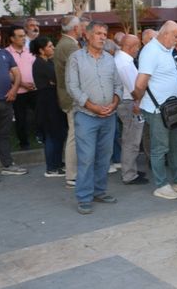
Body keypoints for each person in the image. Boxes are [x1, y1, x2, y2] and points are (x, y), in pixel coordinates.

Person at [134, 20, 177, 200]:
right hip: (158, 110)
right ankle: (161, 184)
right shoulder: (151, 51)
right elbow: (140, 83)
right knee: (160, 147)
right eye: (176, 35)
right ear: (165, 35)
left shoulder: (166, 50)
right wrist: (137, 100)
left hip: (173, 108)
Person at [66, 21, 122, 214]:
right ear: (87, 36)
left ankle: (99, 191)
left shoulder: (109, 59)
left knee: (104, 157)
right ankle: (84, 197)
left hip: (109, 115)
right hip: (87, 116)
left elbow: (118, 85)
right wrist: (93, 107)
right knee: (87, 158)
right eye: (98, 33)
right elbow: (72, 87)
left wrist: (114, 103)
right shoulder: (76, 58)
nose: (102, 37)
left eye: (104, 34)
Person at [30, 37, 68, 177]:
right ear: (41, 50)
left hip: (54, 101)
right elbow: (58, 77)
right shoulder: (39, 64)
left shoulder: (49, 62)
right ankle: (51, 167)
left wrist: (55, 82)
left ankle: (57, 163)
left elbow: (57, 79)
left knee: (59, 133)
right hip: (46, 103)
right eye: (50, 46)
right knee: (51, 135)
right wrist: (54, 81)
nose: (53, 48)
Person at [114, 34, 148, 185]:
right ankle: (129, 174)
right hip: (130, 103)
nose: (138, 49)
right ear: (129, 47)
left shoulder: (122, 60)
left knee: (130, 138)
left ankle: (130, 170)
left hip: (128, 102)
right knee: (132, 140)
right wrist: (138, 103)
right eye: (137, 46)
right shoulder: (125, 63)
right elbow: (135, 89)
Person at [55, 15, 83, 187]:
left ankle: (73, 172)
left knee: (75, 134)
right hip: (72, 98)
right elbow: (80, 70)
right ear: (74, 28)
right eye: (80, 26)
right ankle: (72, 174)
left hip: (69, 96)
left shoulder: (65, 43)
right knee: (74, 135)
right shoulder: (69, 45)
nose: (82, 28)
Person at [6, 26, 37, 151]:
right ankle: (24, 143)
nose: (23, 38)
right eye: (20, 36)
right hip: (18, 92)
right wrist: (22, 84)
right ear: (12, 38)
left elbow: (36, 68)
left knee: (40, 114)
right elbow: (6, 74)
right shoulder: (6, 53)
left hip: (34, 90)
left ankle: (41, 136)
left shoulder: (29, 51)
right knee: (21, 118)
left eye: (24, 35)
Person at [0, 44, 25, 178]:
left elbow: (16, 73)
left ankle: (7, 165)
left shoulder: (5, 53)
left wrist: (14, 89)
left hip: (6, 101)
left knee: (4, 134)